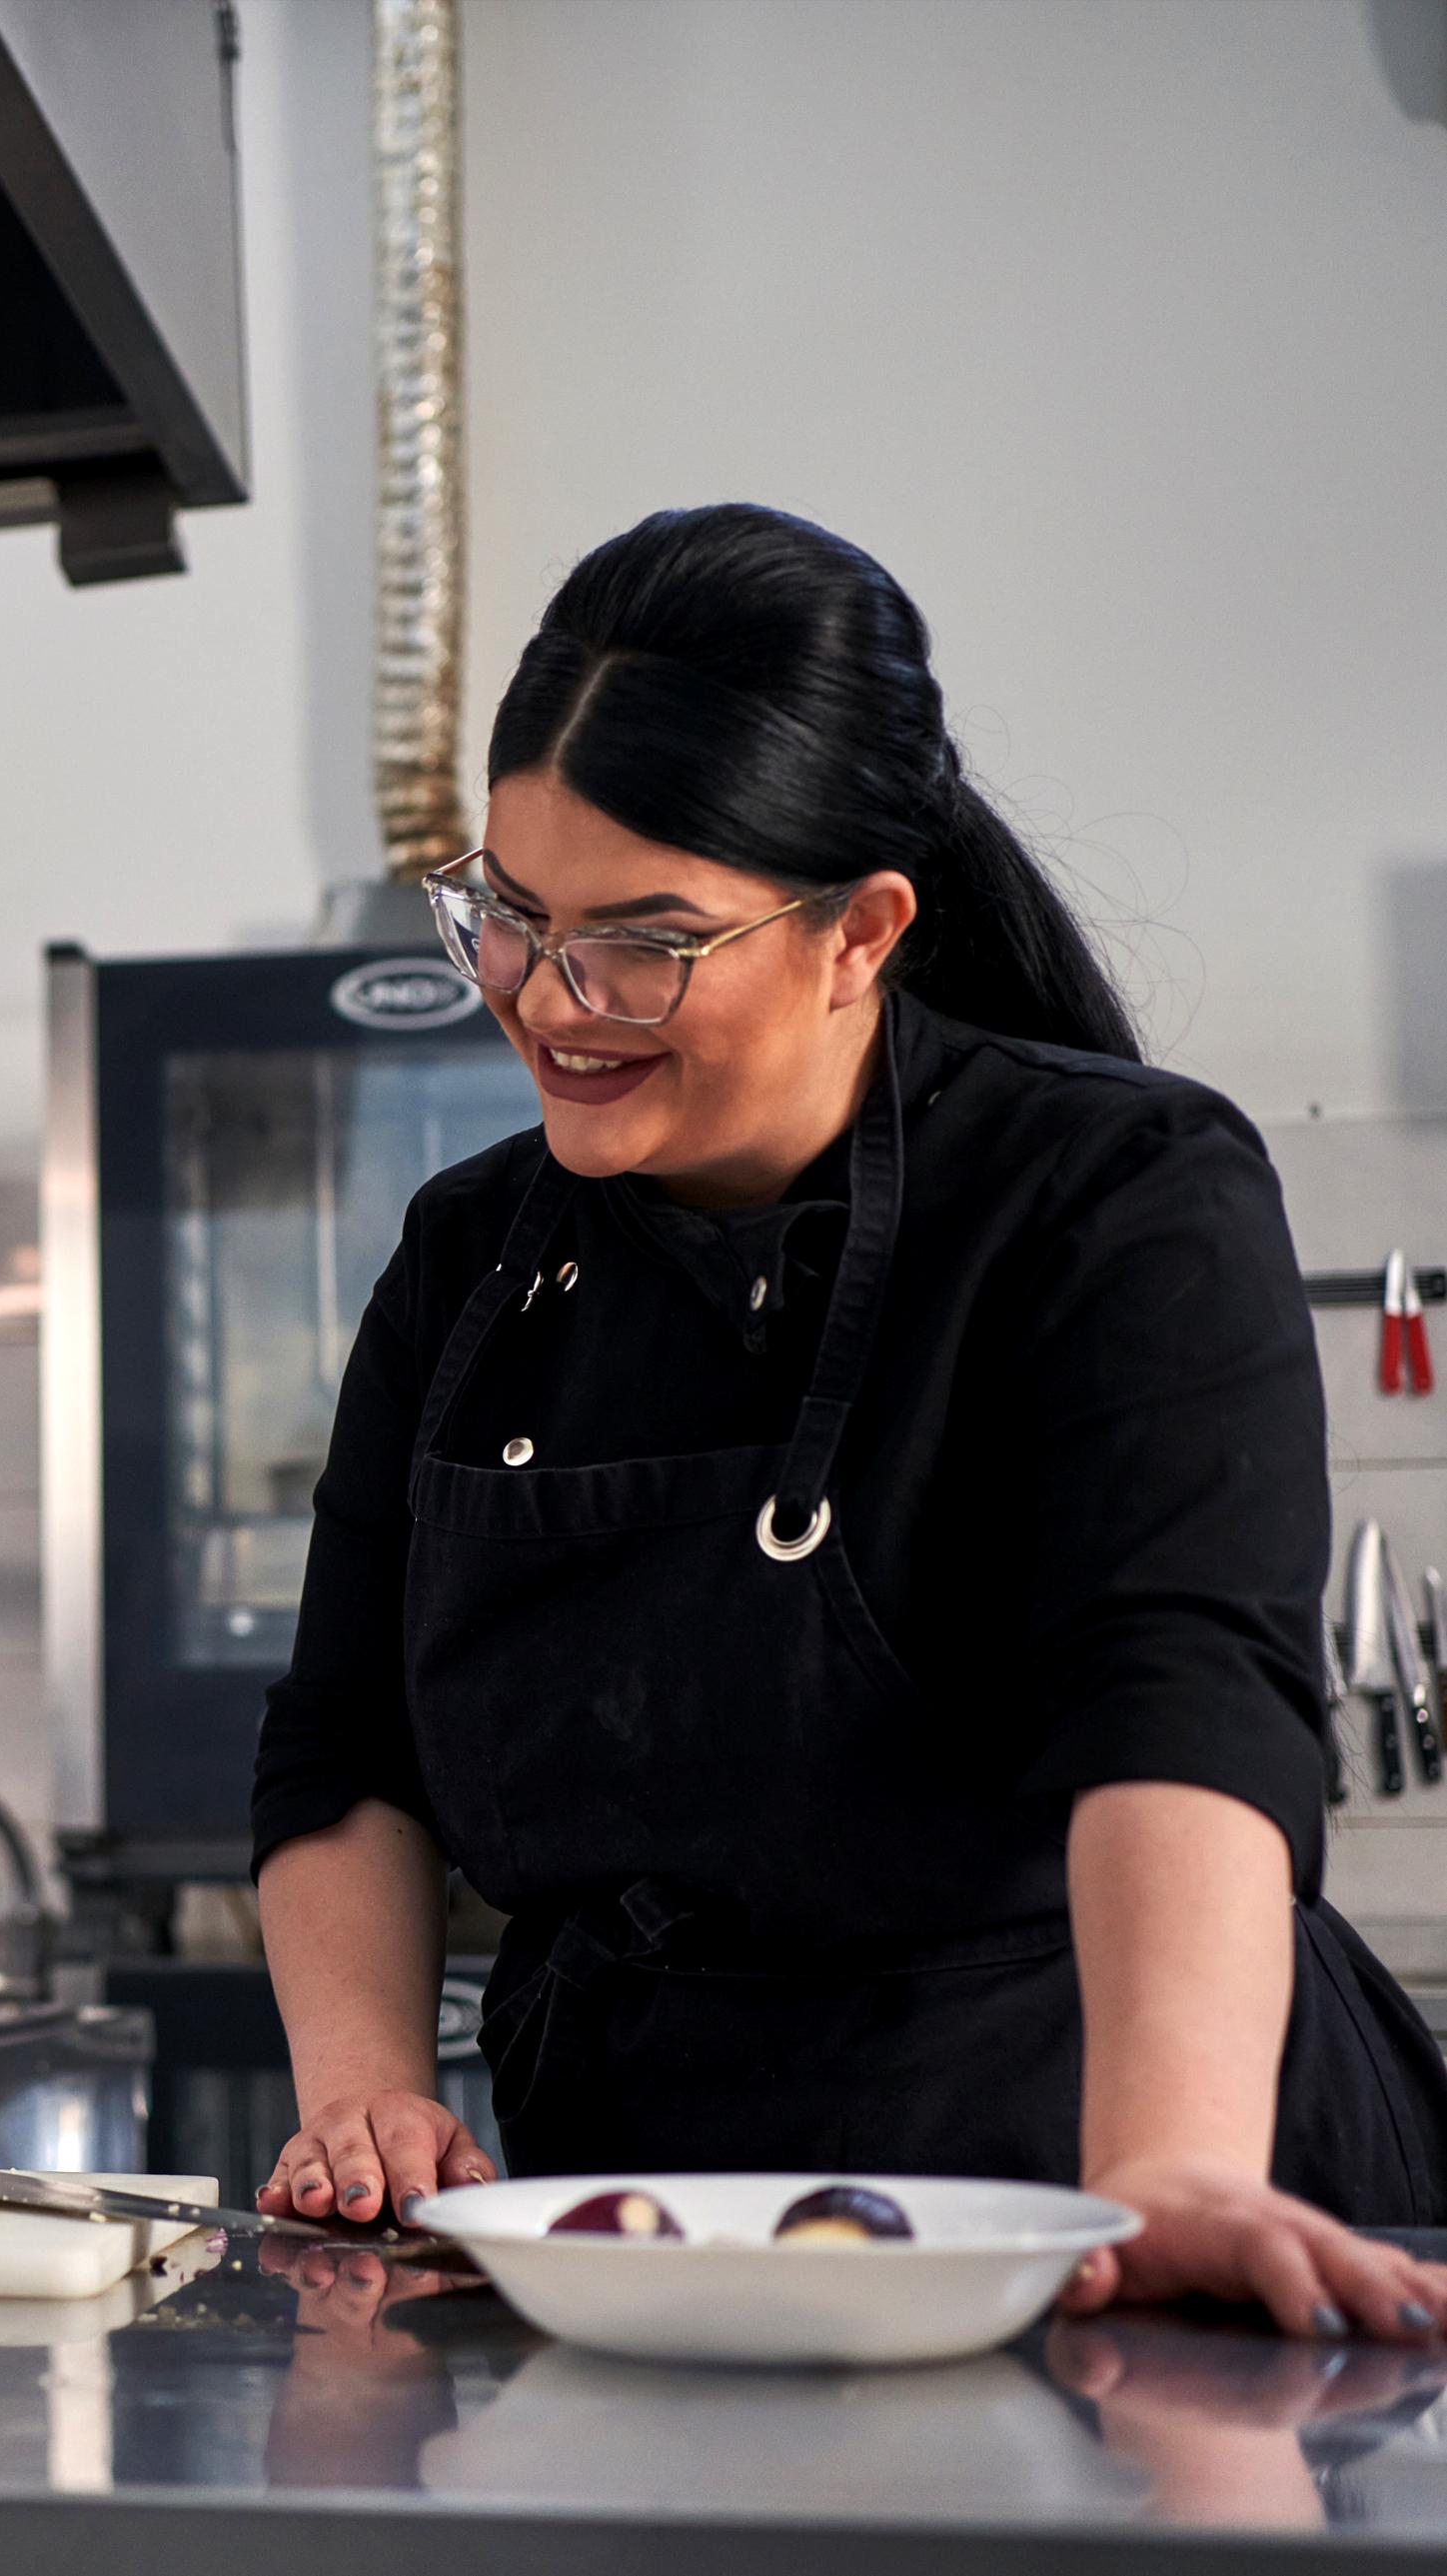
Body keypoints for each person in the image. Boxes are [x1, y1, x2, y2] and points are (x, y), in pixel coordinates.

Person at [252, 504, 1447, 2340]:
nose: (547, 1000)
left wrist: (1173, 2159)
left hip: (1089, 2179)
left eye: (643, 941)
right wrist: (365, 2092)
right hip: (646, 2224)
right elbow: (347, 1738)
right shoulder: (469, 1255)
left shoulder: (1109, 1191)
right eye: (511, 914)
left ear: (857, 932)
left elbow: (1177, 1697)